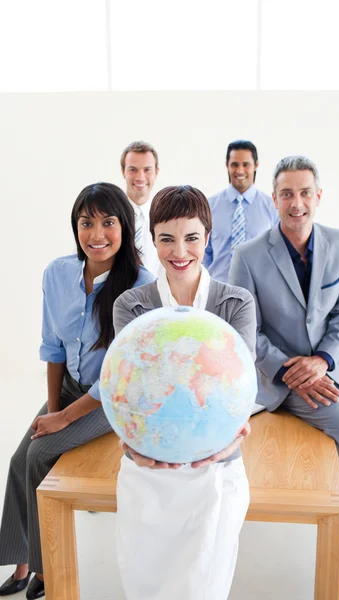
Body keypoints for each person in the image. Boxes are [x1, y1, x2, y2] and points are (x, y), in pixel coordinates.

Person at [229, 155, 339, 600]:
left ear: (318, 197)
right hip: (284, 380)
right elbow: (245, 331)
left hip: (337, 368)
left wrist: (322, 359)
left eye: (305, 192)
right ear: (274, 199)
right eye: (286, 193)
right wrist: (293, 369)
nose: (296, 202)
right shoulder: (247, 256)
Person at [0, 182, 154, 599]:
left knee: (40, 454)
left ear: (124, 228)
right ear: (76, 226)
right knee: (20, 458)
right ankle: (24, 560)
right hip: (69, 386)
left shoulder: (142, 285)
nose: (97, 234)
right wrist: (53, 410)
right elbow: (53, 348)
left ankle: (47, 570)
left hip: (113, 398)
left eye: (108, 222)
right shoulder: (57, 273)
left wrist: (64, 420)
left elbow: (119, 376)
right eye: (87, 223)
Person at [113, 185, 256, 600]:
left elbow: (241, 386)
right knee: (144, 584)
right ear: (152, 240)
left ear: (208, 237)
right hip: (147, 466)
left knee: (201, 586)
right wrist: (131, 441)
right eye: (167, 238)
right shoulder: (132, 306)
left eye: (192, 237)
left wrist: (231, 433)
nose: (180, 250)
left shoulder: (235, 303)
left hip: (217, 464)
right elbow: (125, 391)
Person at [203, 139, 279, 282]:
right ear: (227, 166)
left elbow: (278, 252)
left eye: (246, 165)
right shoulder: (209, 205)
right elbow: (203, 252)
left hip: (258, 291)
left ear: (256, 165)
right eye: (234, 165)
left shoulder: (272, 206)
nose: (239, 170)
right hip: (217, 289)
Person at [120, 140, 162, 275]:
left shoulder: (165, 217)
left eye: (147, 170)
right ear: (123, 172)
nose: (140, 177)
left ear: (156, 172)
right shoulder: (108, 215)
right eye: (133, 169)